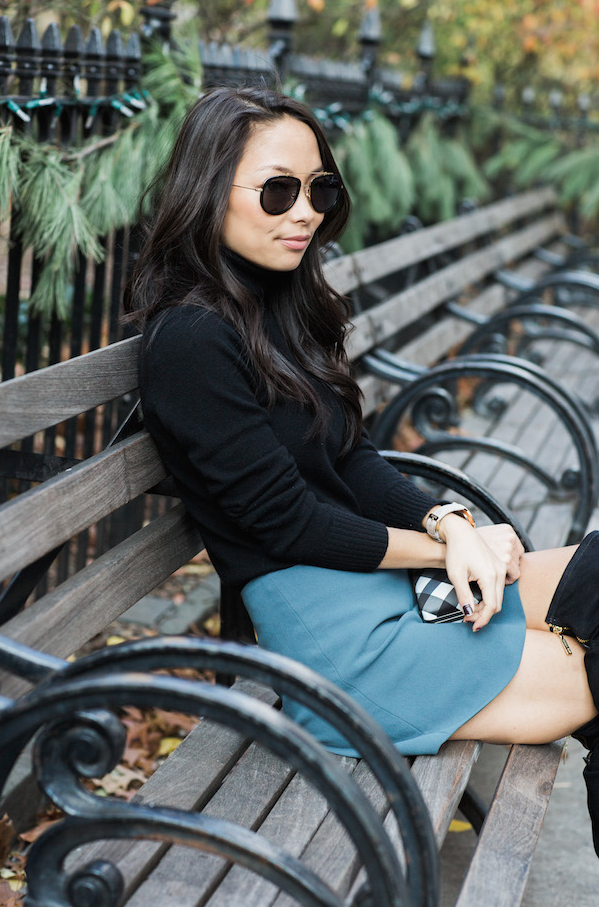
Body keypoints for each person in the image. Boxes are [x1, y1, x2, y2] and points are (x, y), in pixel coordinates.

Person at [125, 85, 599, 854]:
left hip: (377, 587)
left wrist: (451, 520)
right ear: (207, 191)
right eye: (278, 190)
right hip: (337, 644)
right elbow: (287, 522)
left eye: (320, 189)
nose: (304, 212)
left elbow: (352, 455)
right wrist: (450, 549)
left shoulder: (275, 309)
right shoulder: (189, 341)